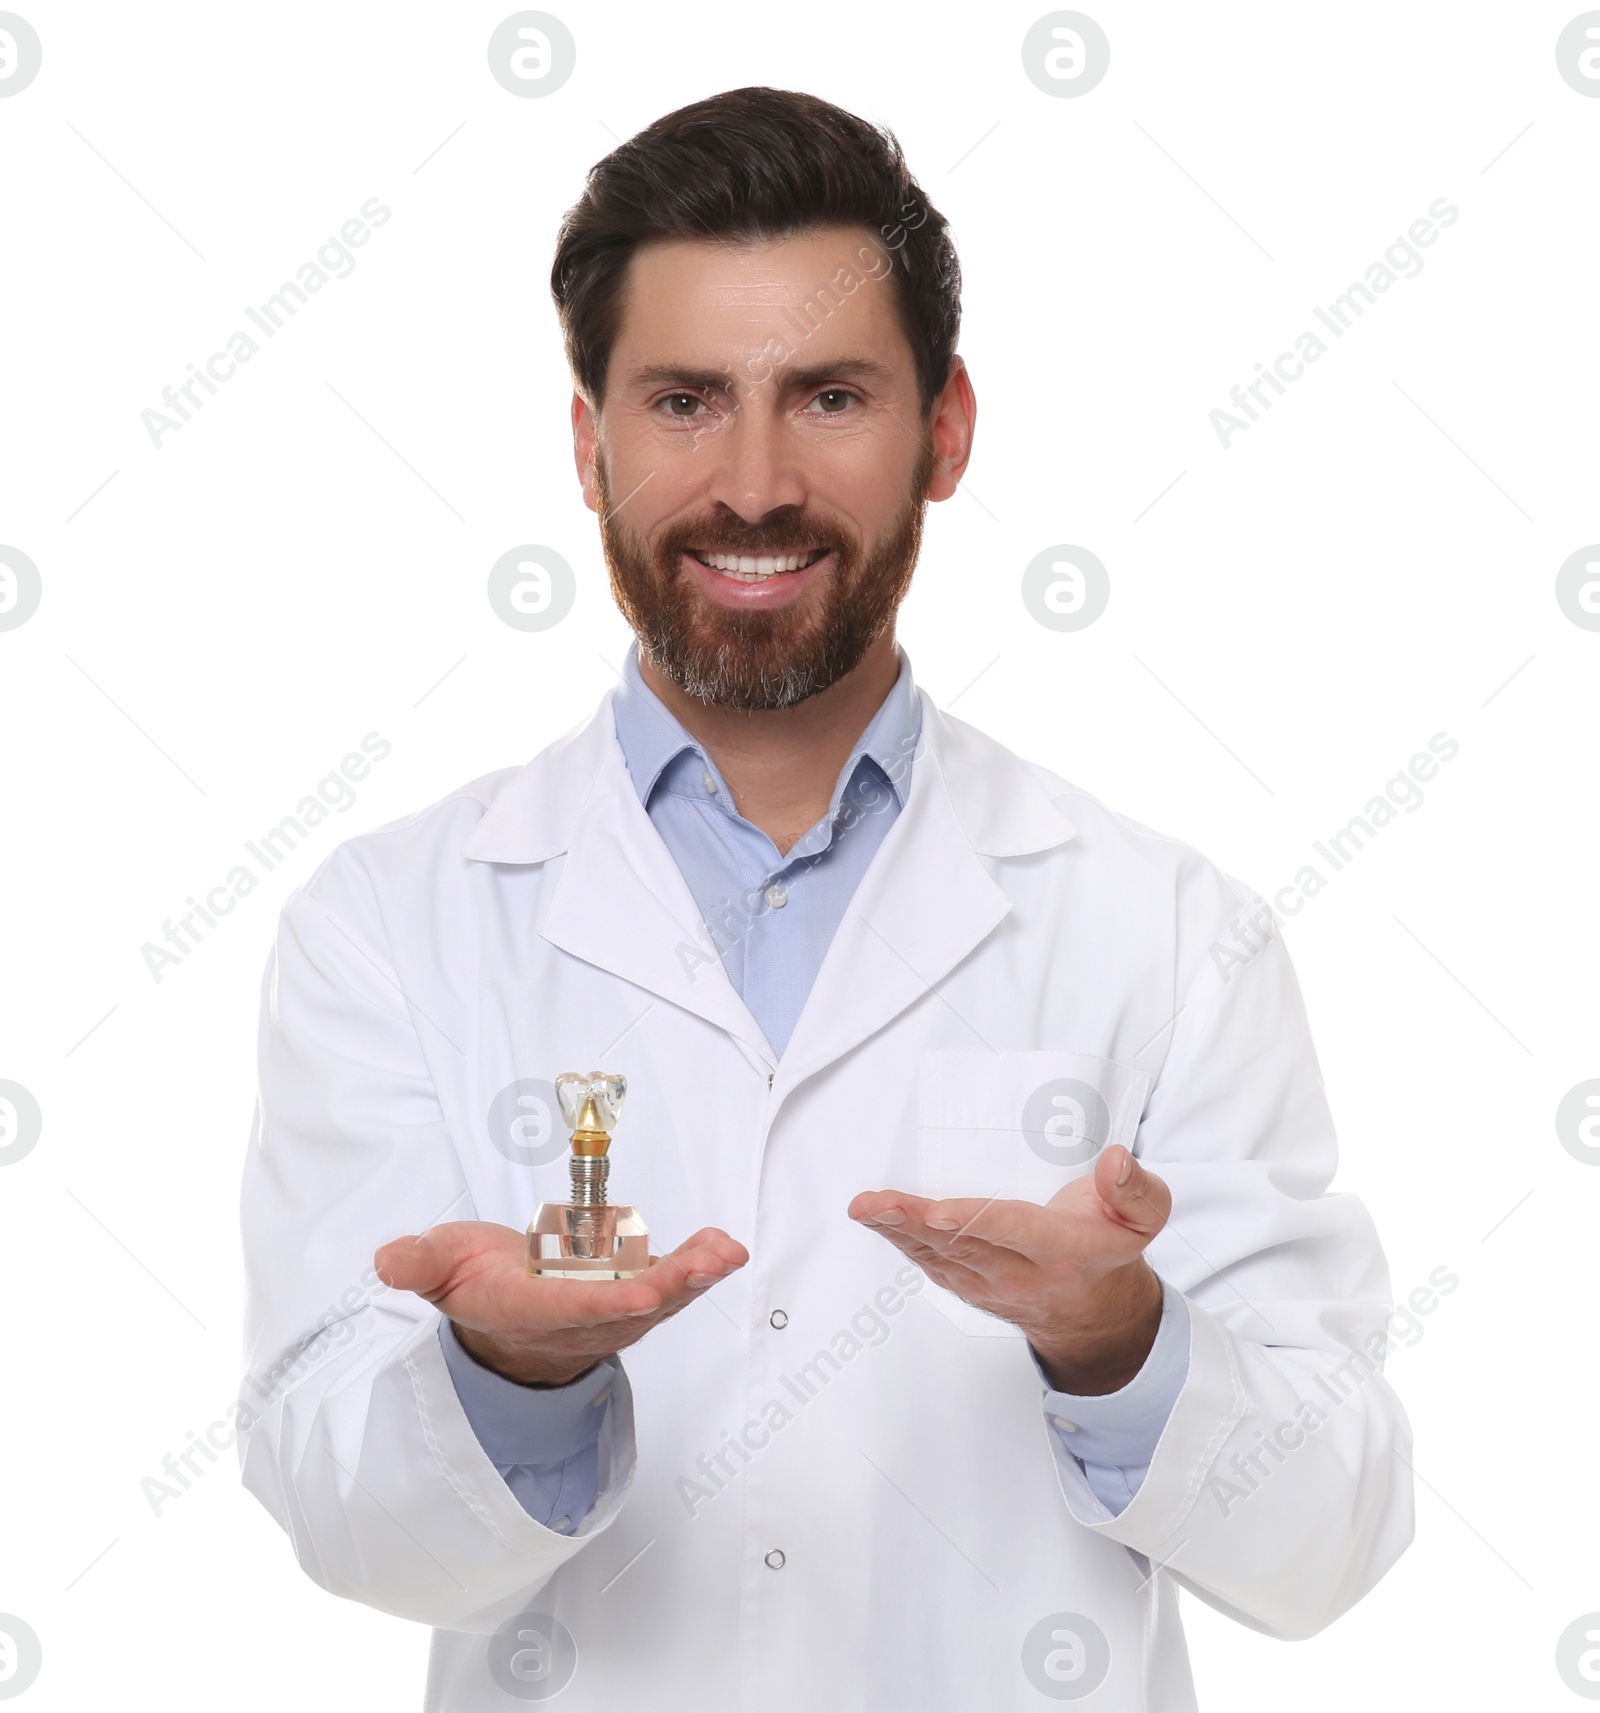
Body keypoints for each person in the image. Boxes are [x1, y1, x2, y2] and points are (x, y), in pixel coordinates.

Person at [239, 87, 1413, 1711]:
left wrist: (1118, 1339)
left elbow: (1329, 1537)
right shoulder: (390, 921)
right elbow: (343, 1517)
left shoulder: (1168, 930)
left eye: (832, 395)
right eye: (683, 402)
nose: (756, 481)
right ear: (588, 447)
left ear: (946, 431)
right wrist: (509, 1369)